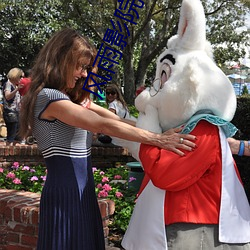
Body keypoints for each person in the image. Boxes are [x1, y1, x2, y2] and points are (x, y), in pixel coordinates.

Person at [19, 28, 196, 250]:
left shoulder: (69, 101)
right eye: (80, 66)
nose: (84, 74)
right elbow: (101, 124)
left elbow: (117, 121)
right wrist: (158, 139)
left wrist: (161, 128)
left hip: (82, 190)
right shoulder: (49, 98)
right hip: (66, 192)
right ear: (61, 60)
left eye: (86, 68)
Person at [3, 68, 24, 146]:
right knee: (11, 135)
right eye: (20, 76)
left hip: (16, 112)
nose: (22, 79)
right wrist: (17, 89)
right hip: (10, 112)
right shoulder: (8, 84)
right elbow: (7, 96)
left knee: (17, 136)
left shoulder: (15, 85)